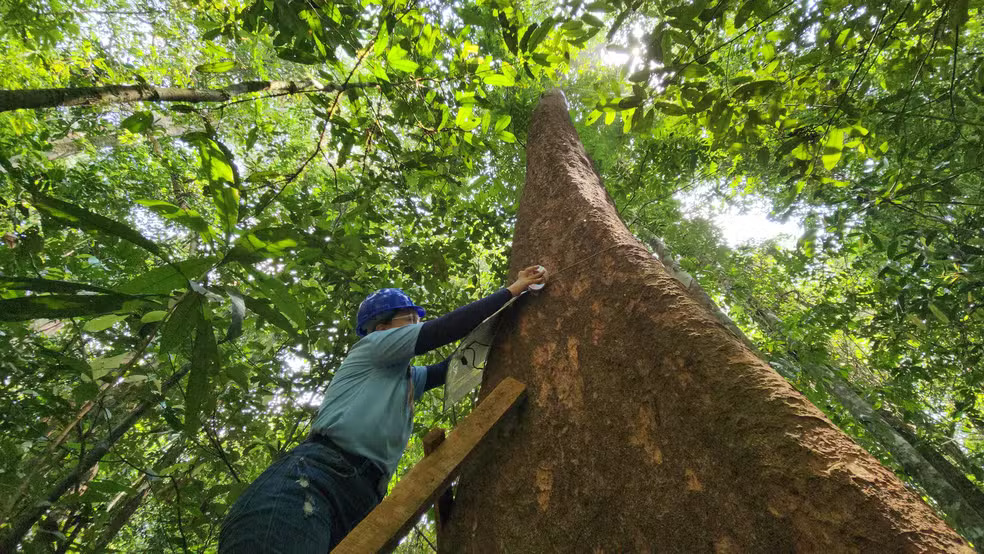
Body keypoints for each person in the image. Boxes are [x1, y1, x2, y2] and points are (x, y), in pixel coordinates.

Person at [219, 266, 548, 552]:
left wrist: (507, 314)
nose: (417, 325)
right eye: (409, 320)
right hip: (313, 480)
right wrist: (512, 289)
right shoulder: (373, 347)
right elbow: (442, 331)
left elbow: (454, 368)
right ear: (380, 328)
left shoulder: (405, 377)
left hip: (360, 500)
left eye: (417, 321)